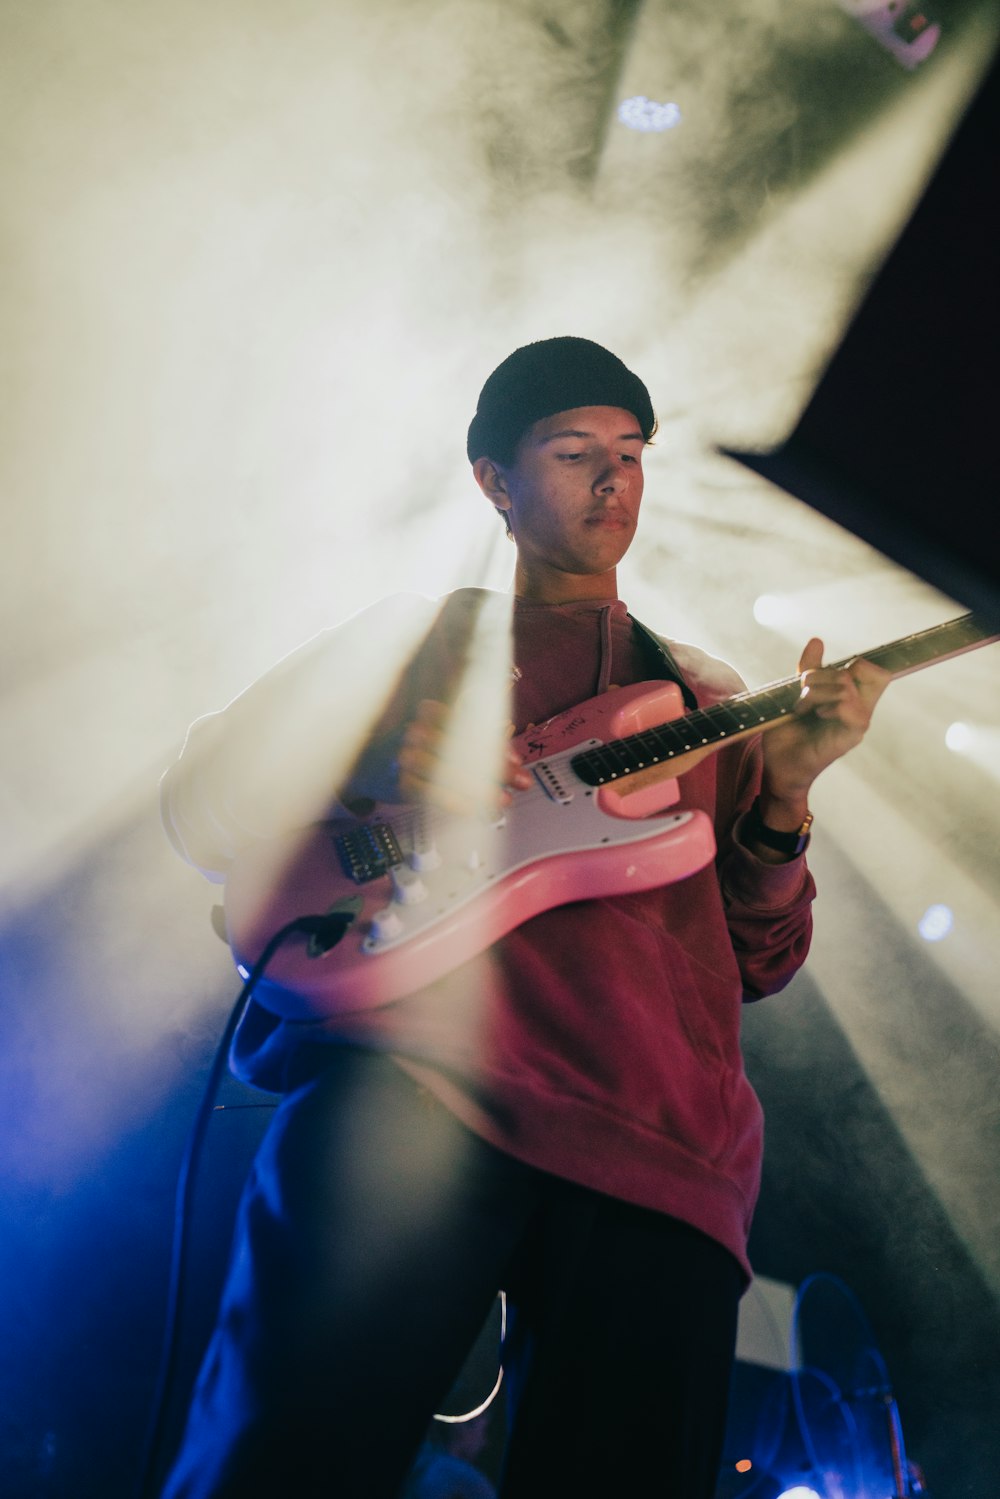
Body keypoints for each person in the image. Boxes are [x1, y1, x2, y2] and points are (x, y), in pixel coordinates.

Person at [158, 337, 888, 1498]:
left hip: (665, 1151)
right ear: (496, 482)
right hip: (417, 1097)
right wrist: (376, 775)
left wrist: (787, 792)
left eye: (631, 454)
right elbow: (200, 801)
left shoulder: (709, 699)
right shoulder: (413, 637)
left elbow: (762, 955)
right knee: (276, 1460)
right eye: (574, 452)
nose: (613, 481)